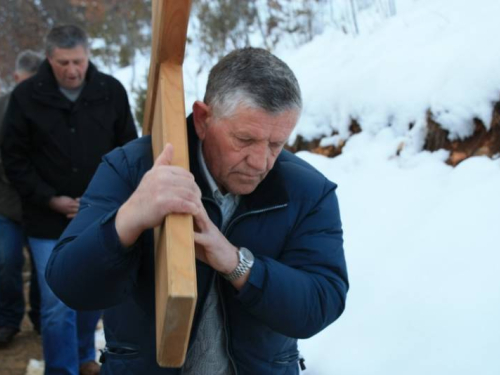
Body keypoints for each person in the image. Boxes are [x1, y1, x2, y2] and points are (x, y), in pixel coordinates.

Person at [45, 47, 348, 375]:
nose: (261, 162)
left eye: (277, 144)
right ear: (203, 119)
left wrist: (236, 263)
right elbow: (68, 282)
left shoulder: (309, 191)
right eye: (245, 139)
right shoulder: (131, 168)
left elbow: (321, 303)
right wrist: (129, 219)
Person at [1, 25, 137, 375]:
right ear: (49, 58)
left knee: (91, 290)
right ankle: (61, 369)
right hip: (46, 216)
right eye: (64, 63)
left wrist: (106, 198)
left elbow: (129, 149)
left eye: (78, 61)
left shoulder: (111, 90)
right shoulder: (26, 96)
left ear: (88, 55)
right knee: (57, 301)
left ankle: (82, 357)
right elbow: (14, 159)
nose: (73, 70)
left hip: (99, 214)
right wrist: (50, 199)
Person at [0, 50, 43, 347]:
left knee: (46, 266)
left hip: (42, 204)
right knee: (6, 260)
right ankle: (8, 319)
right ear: (16, 79)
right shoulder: (3, 108)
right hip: (6, 203)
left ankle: (41, 318)